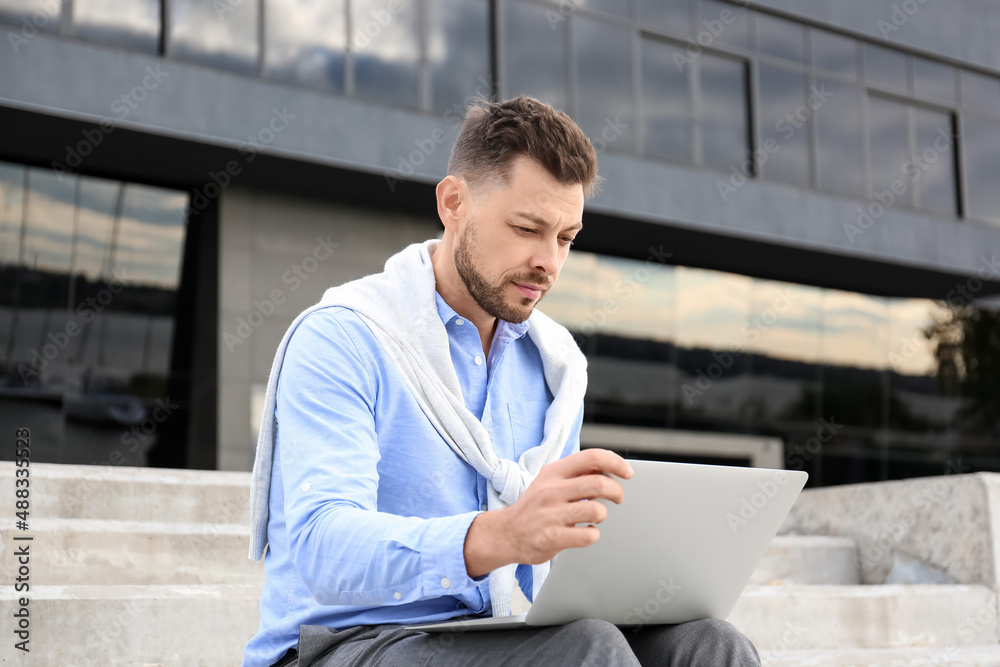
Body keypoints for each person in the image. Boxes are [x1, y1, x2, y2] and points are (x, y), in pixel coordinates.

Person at [242, 95, 761, 667]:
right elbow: (324, 550)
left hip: (482, 634)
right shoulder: (343, 338)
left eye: (565, 238)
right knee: (586, 651)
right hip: (341, 644)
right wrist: (499, 536)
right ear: (453, 203)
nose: (549, 262)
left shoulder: (556, 366)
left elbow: (553, 565)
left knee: (711, 644)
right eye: (526, 228)